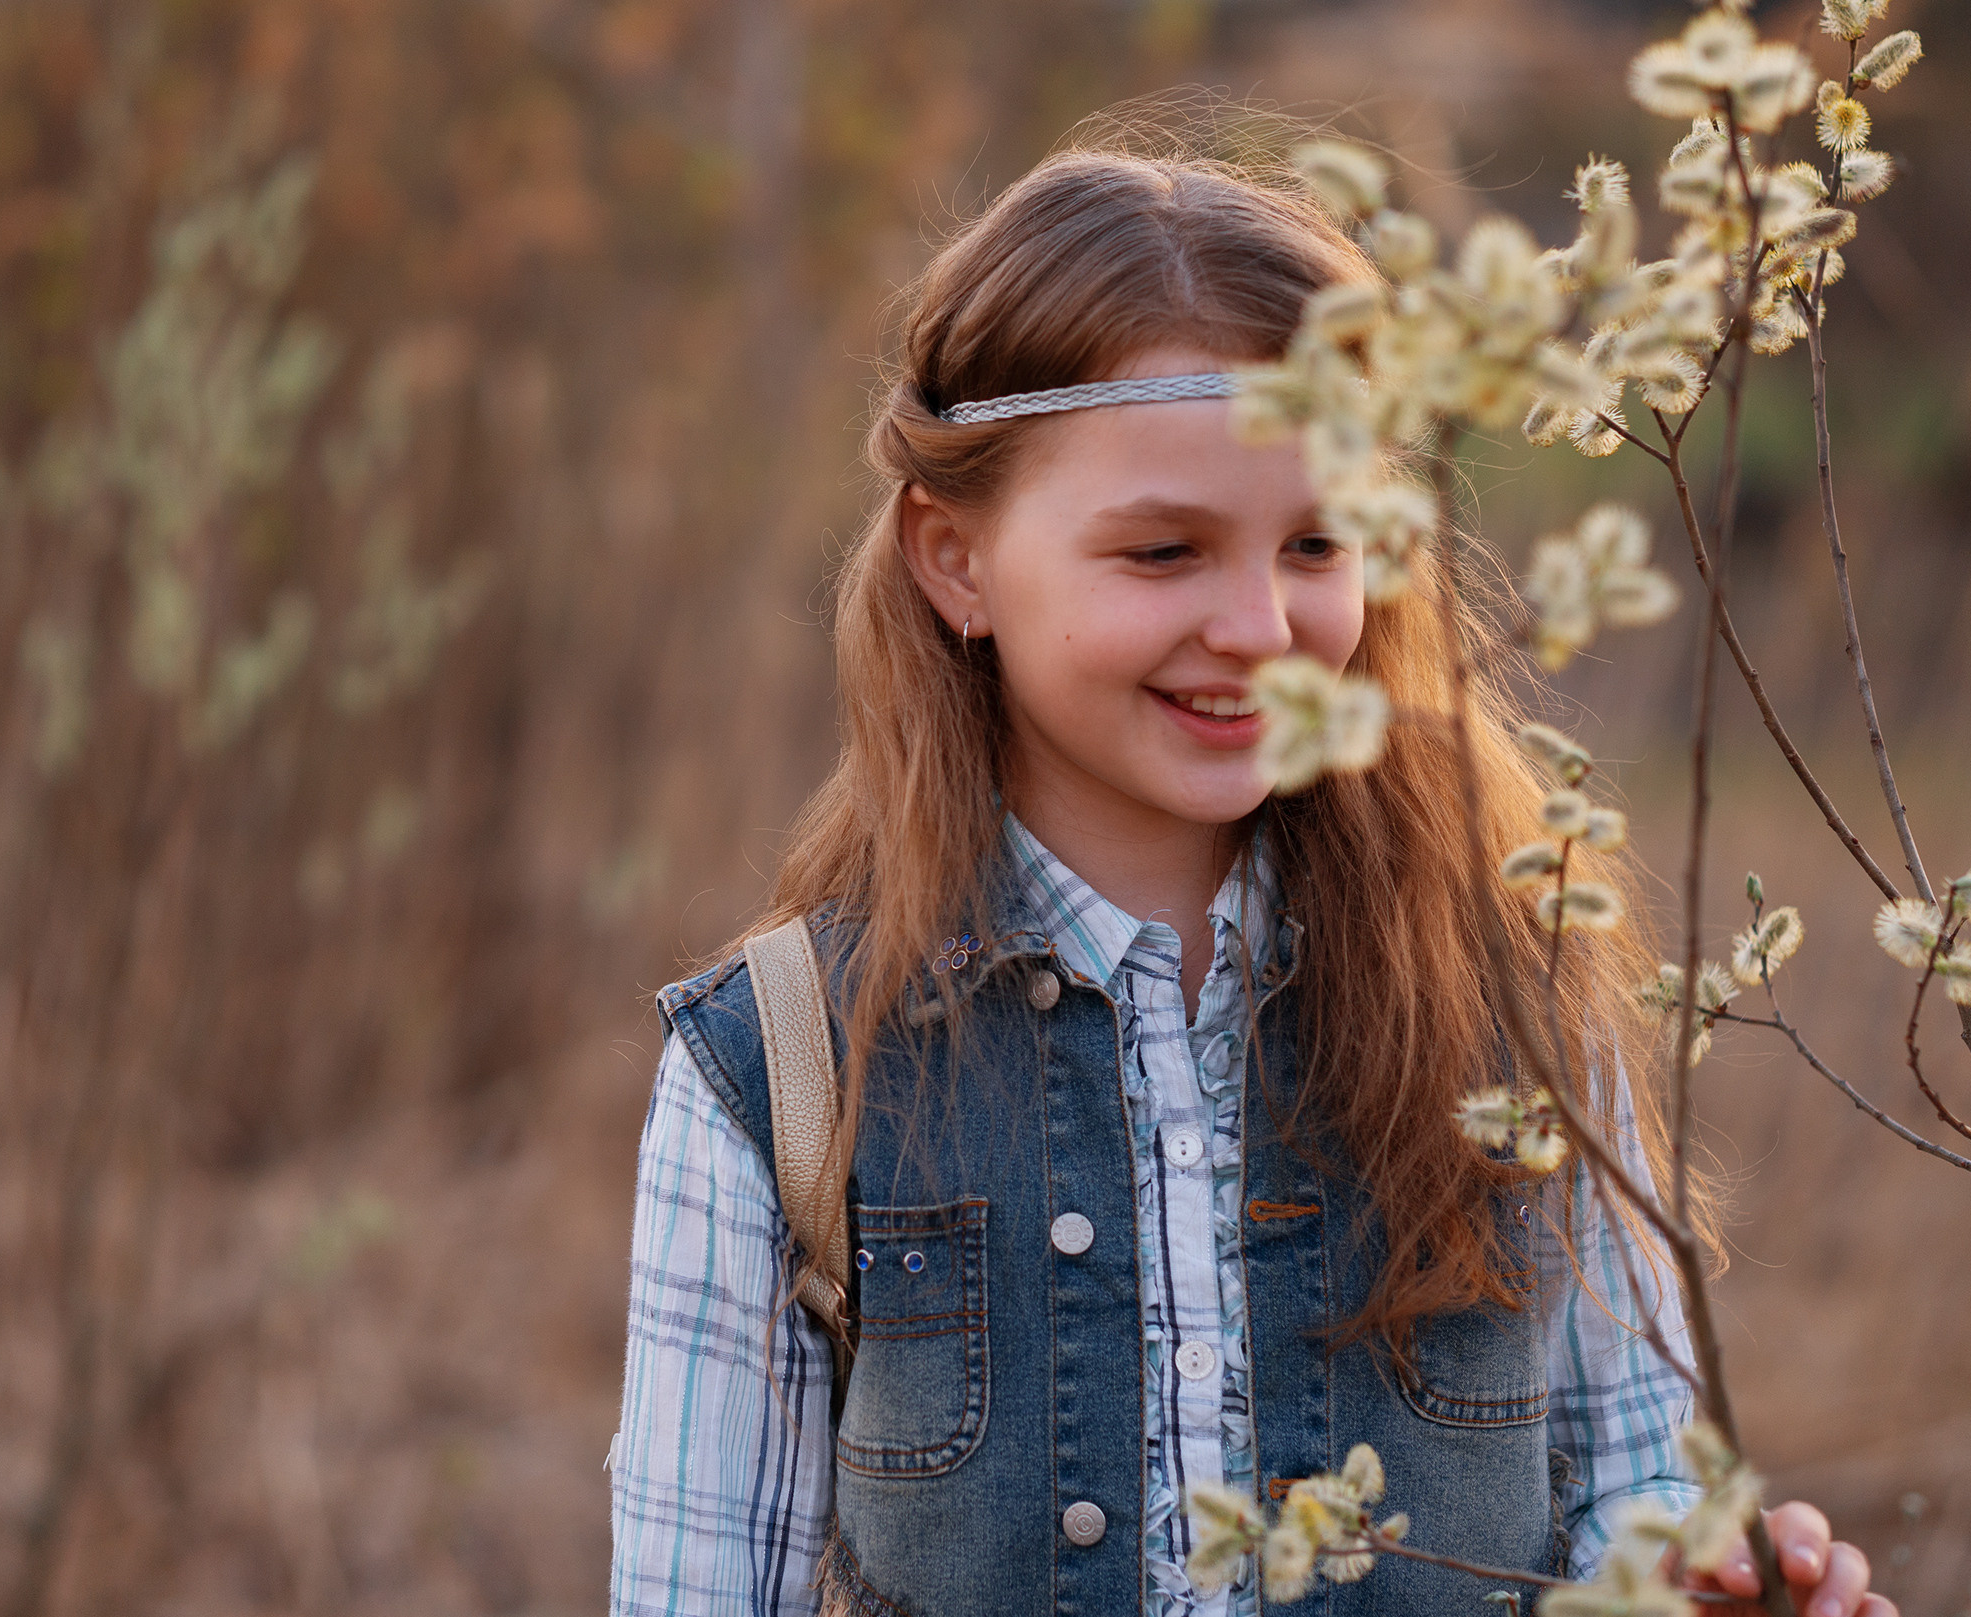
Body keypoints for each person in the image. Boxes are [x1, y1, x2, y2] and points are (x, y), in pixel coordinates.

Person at [609, 137, 1893, 1617]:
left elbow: (1633, 1479)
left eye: (1316, 542)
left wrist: (1700, 1582)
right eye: (1163, 552)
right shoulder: (779, 1070)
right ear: (955, 558)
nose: (1261, 624)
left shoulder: (1509, 1000)